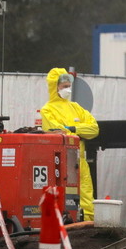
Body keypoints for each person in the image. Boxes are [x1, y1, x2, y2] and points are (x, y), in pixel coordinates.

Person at [39, 68, 100, 221]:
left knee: (86, 194)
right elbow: (58, 133)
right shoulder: (47, 110)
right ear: (55, 87)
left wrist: (73, 128)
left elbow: (94, 129)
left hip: (80, 161)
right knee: (62, 195)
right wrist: (79, 131)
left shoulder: (76, 107)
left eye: (68, 86)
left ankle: (88, 224)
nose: (68, 89)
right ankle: (62, 224)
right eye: (64, 86)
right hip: (59, 162)